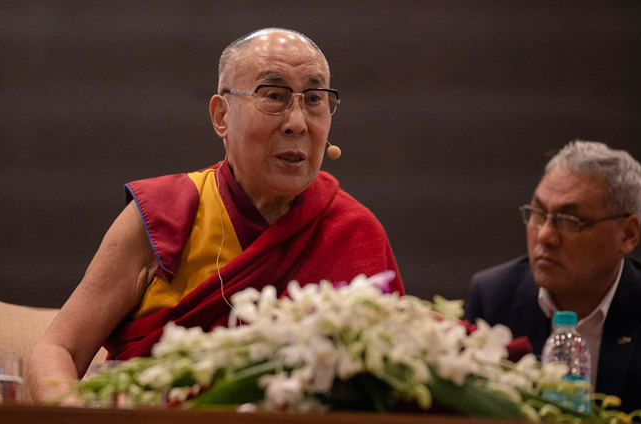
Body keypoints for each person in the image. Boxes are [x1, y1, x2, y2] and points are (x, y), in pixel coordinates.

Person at [27, 28, 404, 404]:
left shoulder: (353, 230)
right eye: (274, 96)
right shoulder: (166, 213)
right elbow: (60, 350)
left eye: (314, 99)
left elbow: (396, 381)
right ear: (221, 117)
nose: (297, 122)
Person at [463, 140, 641, 421]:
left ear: (628, 235)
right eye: (538, 214)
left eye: (569, 221)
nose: (544, 237)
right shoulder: (493, 298)